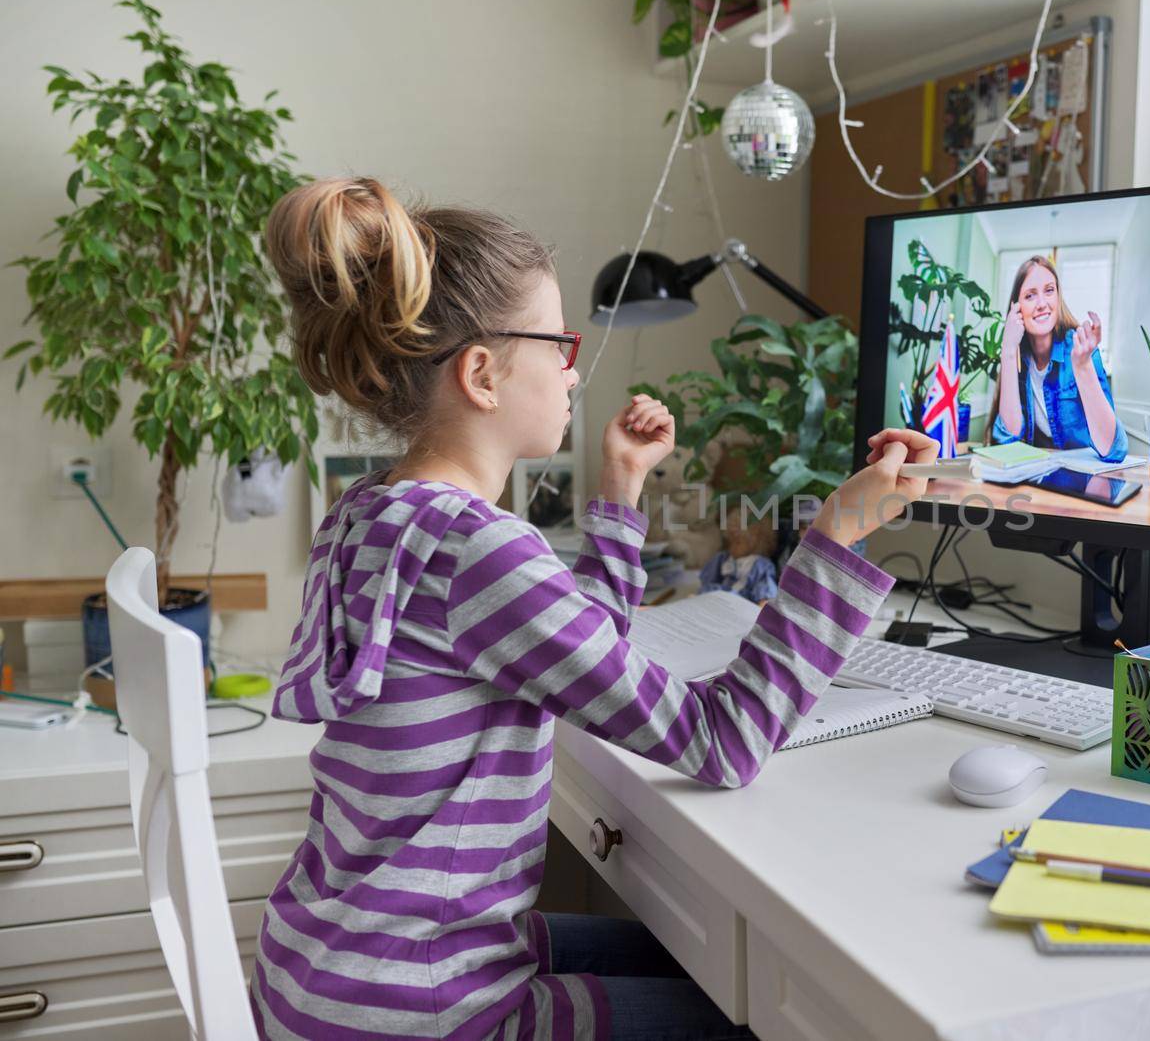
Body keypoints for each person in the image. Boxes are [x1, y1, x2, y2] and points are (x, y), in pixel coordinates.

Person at [254, 177, 935, 1041]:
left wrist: (621, 487)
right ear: (481, 374)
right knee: (774, 1017)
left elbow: (577, 658)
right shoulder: (479, 551)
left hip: (328, 969)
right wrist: (839, 534)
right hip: (421, 1010)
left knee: (682, 955)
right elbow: (725, 740)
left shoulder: (369, 515)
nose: (574, 368)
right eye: (558, 343)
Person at [990, 254, 1127, 461]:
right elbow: (1008, 441)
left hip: (1085, 481)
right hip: (1040, 478)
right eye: (1030, 296)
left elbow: (1114, 451)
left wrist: (1083, 366)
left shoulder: (1081, 349)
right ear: (1015, 309)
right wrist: (1008, 351)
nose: (1042, 303)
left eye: (1049, 291)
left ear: (1058, 297)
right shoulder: (1019, 358)